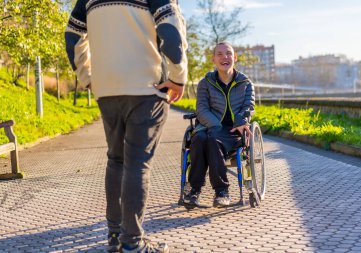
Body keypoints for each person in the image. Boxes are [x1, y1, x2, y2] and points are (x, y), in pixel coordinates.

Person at [65, 1, 187, 252]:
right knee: (137, 163)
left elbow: (72, 35)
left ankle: (115, 236)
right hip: (146, 87)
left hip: (106, 89)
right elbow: (170, 29)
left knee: (116, 160)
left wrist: (88, 77)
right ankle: (132, 242)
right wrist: (178, 76)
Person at [186, 42, 255, 208]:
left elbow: (248, 107)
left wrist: (240, 121)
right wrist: (215, 127)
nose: (225, 57)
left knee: (212, 140)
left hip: (233, 131)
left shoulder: (245, 83)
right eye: (220, 54)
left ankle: (221, 191)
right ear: (213, 60)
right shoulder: (205, 83)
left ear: (235, 58)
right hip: (209, 127)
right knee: (198, 139)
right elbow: (201, 109)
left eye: (229, 53)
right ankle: (194, 190)